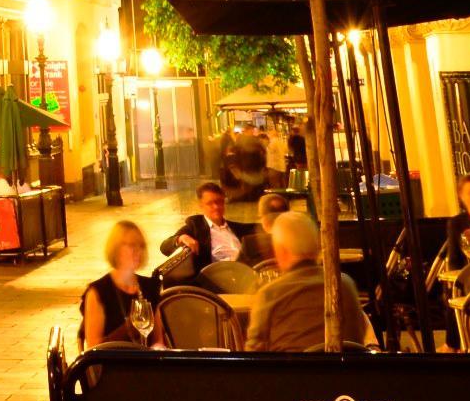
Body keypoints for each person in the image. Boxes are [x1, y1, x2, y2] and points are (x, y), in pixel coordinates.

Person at [244, 210, 374, 351]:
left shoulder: (270, 295)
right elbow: (358, 337)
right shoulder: (344, 285)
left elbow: (254, 355)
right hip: (345, 371)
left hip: (293, 372)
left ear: (281, 250)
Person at [80, 220, 156, 348]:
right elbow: (94, 348)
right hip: (113, 364)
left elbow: (158, 340)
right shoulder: (98, 292)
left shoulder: (150, 287)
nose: (138, 250)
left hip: (147, 364)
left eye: (141, 245)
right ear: (116, 248)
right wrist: (128, 328)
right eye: (132, 245)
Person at [159, 183, 244, 279]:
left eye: (219, 201)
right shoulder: (195, 227)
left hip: (244, 274)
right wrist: (181, 238)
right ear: (201, 205)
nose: (216, 207)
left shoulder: (238, 228)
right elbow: (164, 248)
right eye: (210, 203)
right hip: (217, 280)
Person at [216, 118, 269, 221]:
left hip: (248, 168)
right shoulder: (254, 141)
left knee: (248, 184)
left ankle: (249, 199)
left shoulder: (241, 141)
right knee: (253, 184)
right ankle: (253, 199)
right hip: (252, 167)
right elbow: (263, 152)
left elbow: (237, 153)